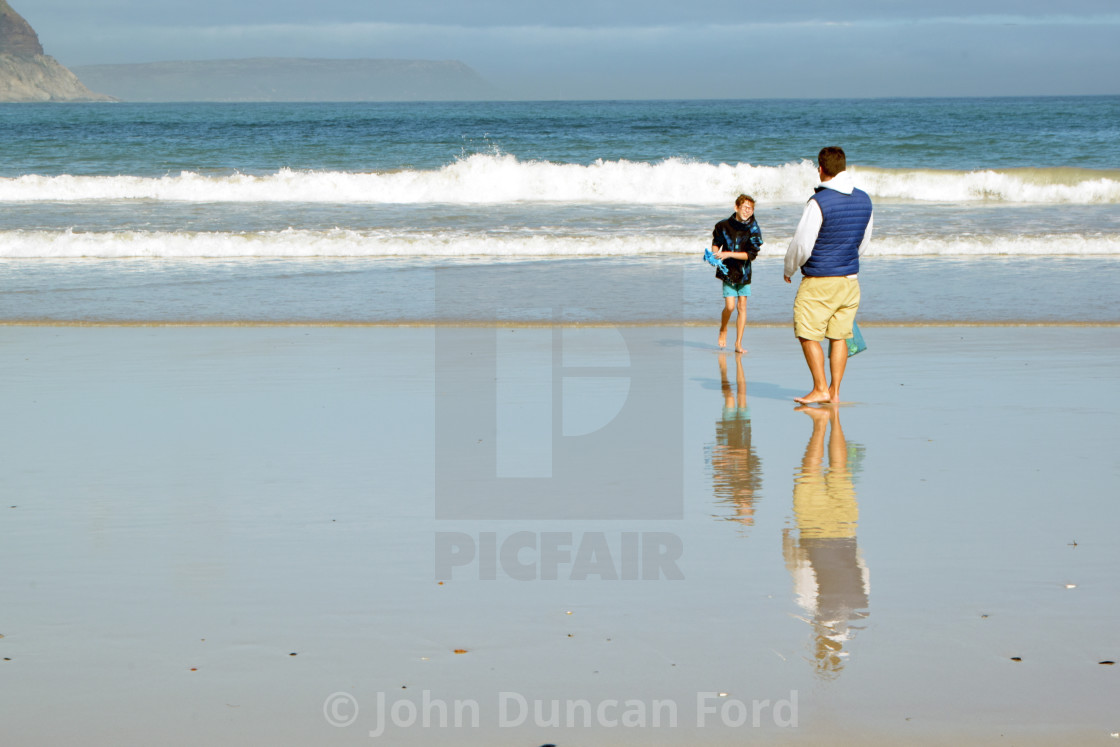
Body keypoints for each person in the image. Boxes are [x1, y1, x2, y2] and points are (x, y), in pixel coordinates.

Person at [783, 147, 873, 404]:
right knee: (839, 335)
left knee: (807, 332)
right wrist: (846, 260)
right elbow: (863, 243)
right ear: (843, 167)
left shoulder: (819, 201)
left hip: (820, 281)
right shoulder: (865, 199)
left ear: (821, 169)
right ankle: (834, 391)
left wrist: (789, 268)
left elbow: (802, 244)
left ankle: (820, 387)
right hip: (850, 280)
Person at [712, 194, 763, 354]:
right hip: (727, 272)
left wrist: (728, 254)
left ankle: (738, 343)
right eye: (745, 207)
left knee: (742, 307)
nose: (748, 211)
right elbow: (716, 243)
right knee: (730, 306)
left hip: (744, 273)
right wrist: (715, 255)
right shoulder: (723, 225)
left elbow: (751, 255)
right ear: (736, 207)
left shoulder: (753, 228)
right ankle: (723, 328)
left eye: (751, 208)